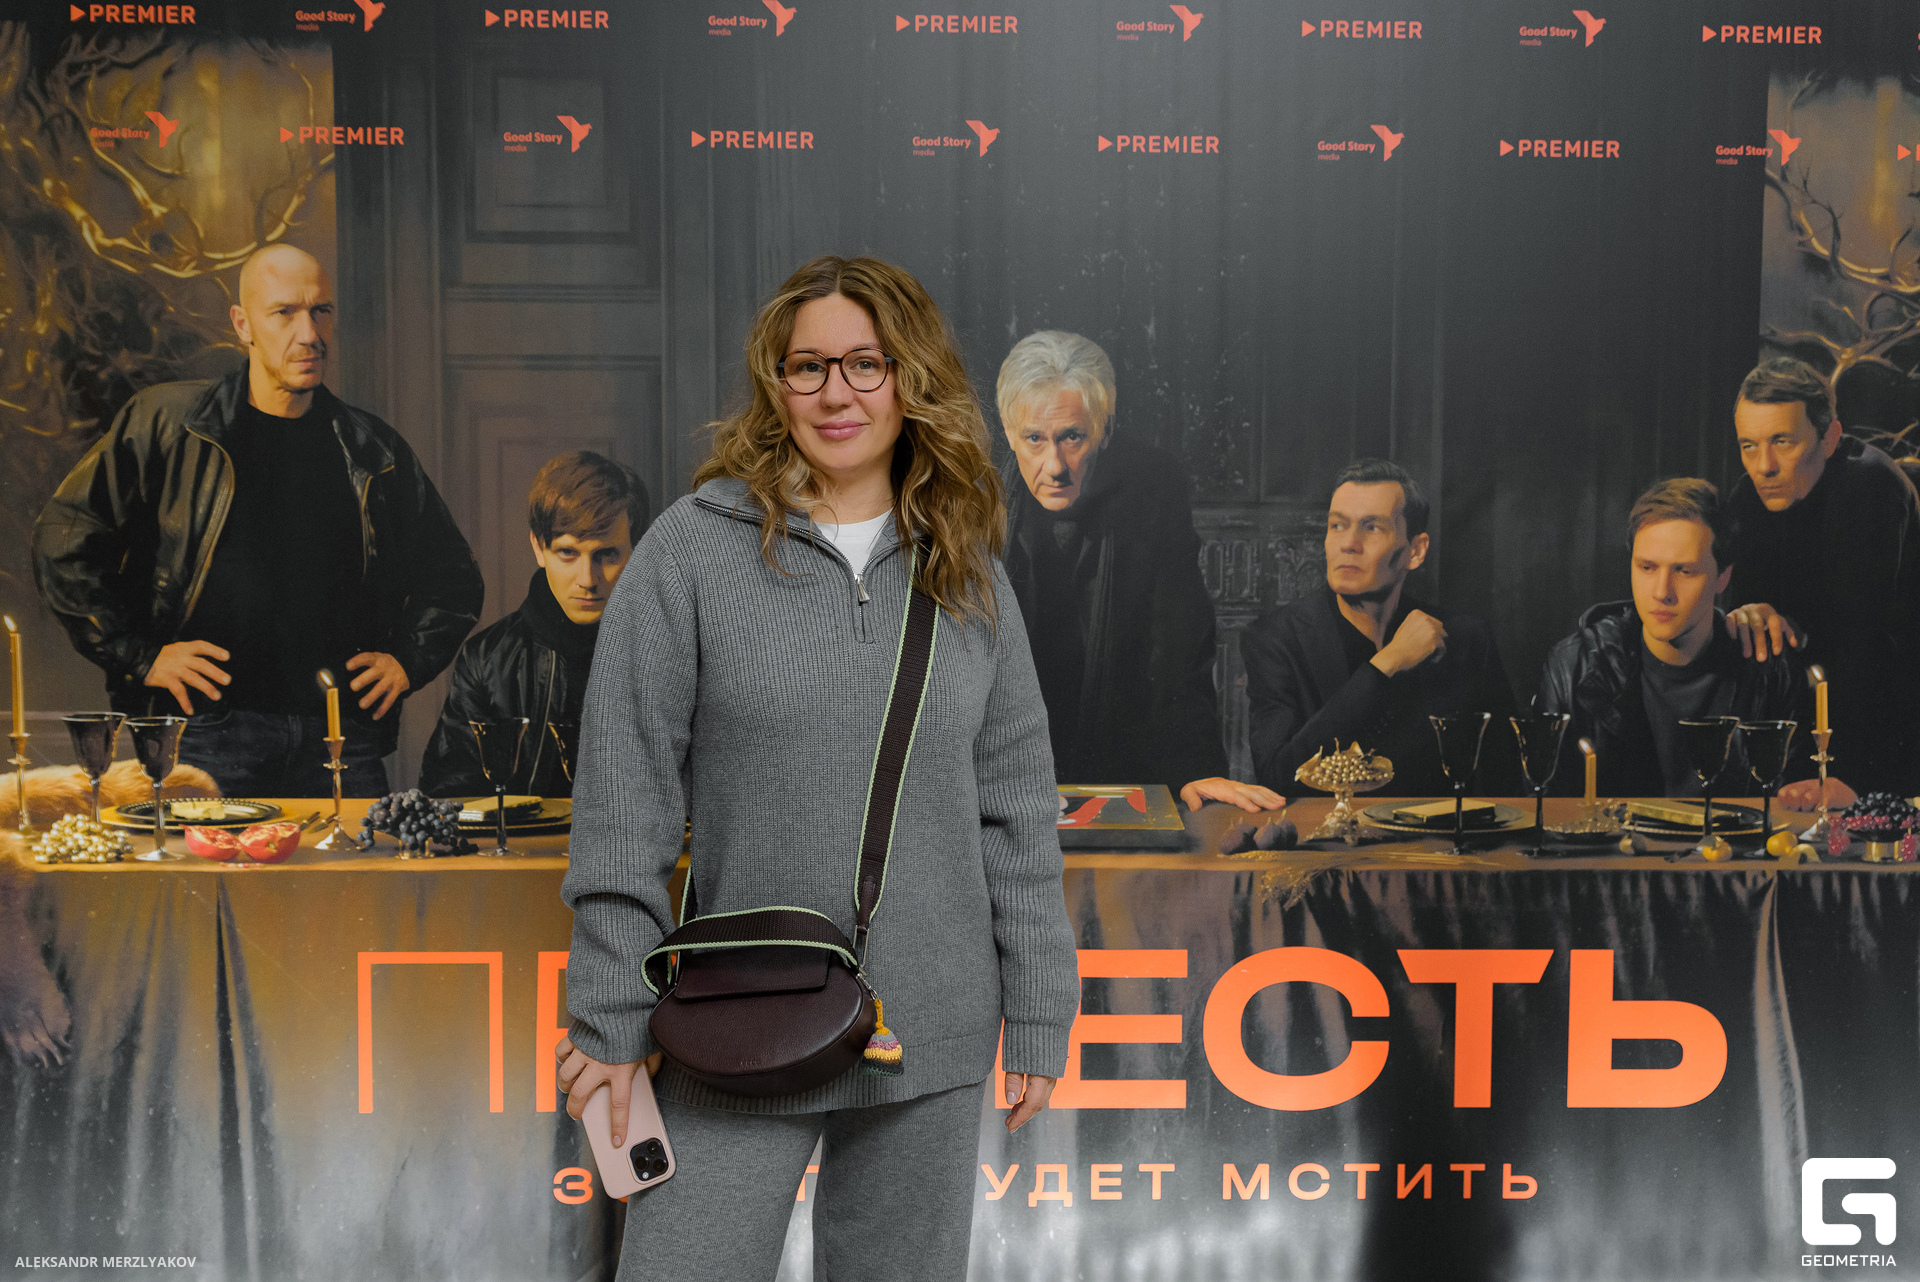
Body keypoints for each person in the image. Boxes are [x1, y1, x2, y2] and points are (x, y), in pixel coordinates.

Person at [554, 256, 1080, 1282]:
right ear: (777, 383)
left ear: (911, 379)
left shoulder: (967, 572)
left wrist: (1038, 1009)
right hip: (738, 1013)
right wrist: (610, 1014)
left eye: (865, 364)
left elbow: (1016, 811)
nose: (836, 392)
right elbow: (625, 800)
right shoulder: (688, 554)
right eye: (808, 366)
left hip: (930, 1021)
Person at [31, 244, 482, 798]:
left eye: (321, 311)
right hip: (206, 733)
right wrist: (140, 657)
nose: (309, 333)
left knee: (357, 861)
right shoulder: (168, 424)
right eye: (284, 312)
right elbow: (64, 538)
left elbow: (453, 576)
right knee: (203, 861)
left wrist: (407, 661)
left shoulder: (371, 449)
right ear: (243, 324)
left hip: (340, 737)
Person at [996, 330, 1281, 812]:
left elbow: (1179, 653)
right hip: (1002, 774)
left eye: (1072, 437)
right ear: (1008, 432)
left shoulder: (1153, 489)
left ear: (1105, 431)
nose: (1055, 465)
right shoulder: (971, 496)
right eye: (1034, 439)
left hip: (1124, 765)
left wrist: (1196, 771)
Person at [1537, 477, 1829, 798]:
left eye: (1685, 571)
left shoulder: (1769, 673)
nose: (1662, 592)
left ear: (1723, 577)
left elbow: (1800, 808)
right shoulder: (1575, 667)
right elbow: (1546, 809)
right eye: (1647, 567)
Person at [1242, 459, 1518, 797]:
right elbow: (1276, 778)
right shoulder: (1275, 639)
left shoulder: (1467, 639)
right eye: (1337, 525)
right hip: (1325, 832)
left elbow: (1506, 785)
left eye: (1372, 528)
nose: (1348, 543)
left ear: (1415, 551)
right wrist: (1386, 664)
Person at [1721, 356, 1919, 795]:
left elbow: (1866, 645)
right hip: (1808, 718)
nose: (1764, 466)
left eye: (1782, 441)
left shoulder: (1870, 485)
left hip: (1892, 728)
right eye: (1749, 445)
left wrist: (1847, 777)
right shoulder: (1747, 498)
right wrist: (1751, 614)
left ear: (1829, 439)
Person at [419, 451, 649, 798]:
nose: (588, 579)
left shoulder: (675, 654)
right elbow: (451, 797)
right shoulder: (487, 659)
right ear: (539, 549)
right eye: (568, 553)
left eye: (607, 554)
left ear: (638, 552)